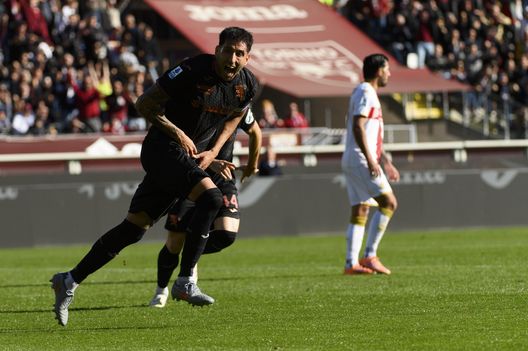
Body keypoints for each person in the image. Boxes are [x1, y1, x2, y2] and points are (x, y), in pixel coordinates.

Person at [50, 26, 258, 326]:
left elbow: (237, 116)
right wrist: (178, 132)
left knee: (134, 228)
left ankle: (68, 280)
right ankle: (186, 280)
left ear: (247, 58)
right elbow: (144, 103)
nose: (233, 58)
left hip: (185, 157)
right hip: (162, 148)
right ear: (217, 50)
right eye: (228, 50)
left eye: (240, 54)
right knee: (211, 198)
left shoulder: (247, 84)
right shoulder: (191, 70)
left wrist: (211, 153)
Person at [149, 109, 262, 308]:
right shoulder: (196, 103)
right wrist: (210, 160)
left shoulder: (238, 105)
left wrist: (252, 164)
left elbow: (255, 132)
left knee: (226, 235)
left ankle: (191, 255)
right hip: (192, 179)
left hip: (223, 179)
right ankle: (161, 291)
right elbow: (178, 145)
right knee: (174, 242)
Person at [341, 53, 399, 275]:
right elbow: (358, 126)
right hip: (361, 159)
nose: (389, 74)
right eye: (387, 69)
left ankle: (351, 263)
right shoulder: (366, 92)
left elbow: (369, 132)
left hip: (353, 158)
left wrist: (385, 161)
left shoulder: (360, 91)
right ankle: (370, 254)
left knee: (361, 209)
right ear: (378, 71)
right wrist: (371, 159)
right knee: (389, 203)